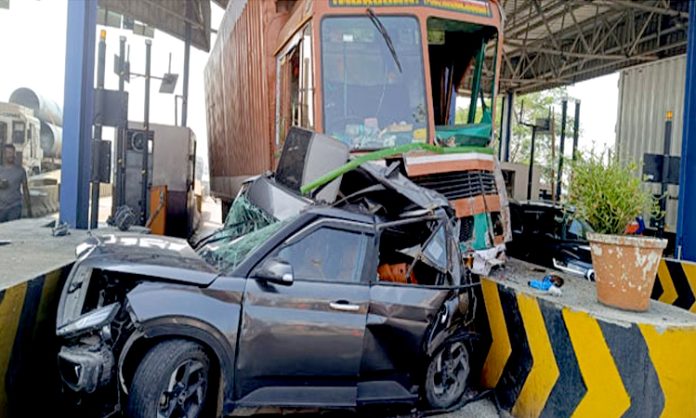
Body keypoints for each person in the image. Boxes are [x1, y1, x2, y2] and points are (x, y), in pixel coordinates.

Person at [0, 144, 32, 222]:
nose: (12, 155)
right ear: (4, 155)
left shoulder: (20, 171)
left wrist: (29, 208)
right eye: (9, 153)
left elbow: (25, 189)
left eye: (13, 153)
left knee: (12, 230)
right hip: (1, 208)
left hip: (15, 207)